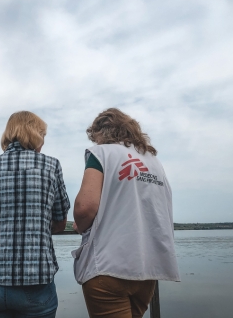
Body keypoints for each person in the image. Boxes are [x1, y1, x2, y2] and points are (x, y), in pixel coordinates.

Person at [0, 111, 70, 318]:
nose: (43, 142)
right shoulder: (52, 166)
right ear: (36, 135)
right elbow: (60, 223)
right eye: (43, 136)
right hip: (36, 283)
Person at [72, 108, 180, 318]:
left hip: (108, 266)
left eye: (96, 137)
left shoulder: (101, 153)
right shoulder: (154, 163)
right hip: (146, 269)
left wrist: (80, 224)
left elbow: (85, 207)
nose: (96, 143)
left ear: (102, 132)